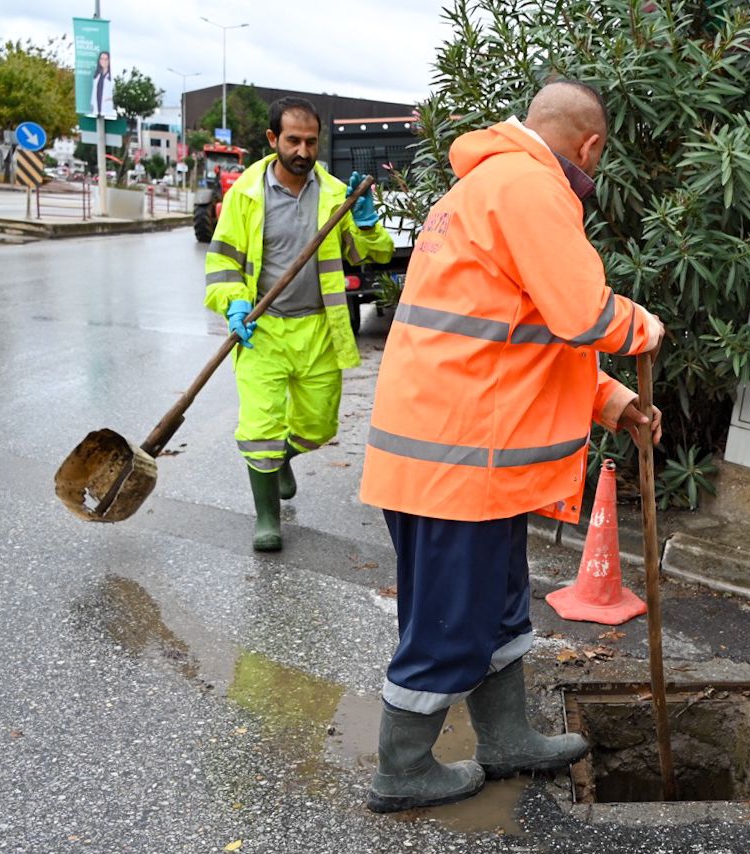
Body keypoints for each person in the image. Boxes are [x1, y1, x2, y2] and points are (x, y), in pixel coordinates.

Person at [358, 79, 665, 811]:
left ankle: (505, 740)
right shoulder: (529, 189)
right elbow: (582, 312)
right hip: (457, 464)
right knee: (447, 623)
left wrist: (611, 400)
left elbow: (521, 333)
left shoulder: (486, 188)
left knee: (497, 610)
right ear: (591, 146)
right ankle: (401, 772)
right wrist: (642, 330)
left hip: (465, 459)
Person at [204, 97, 394, 551]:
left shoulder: (334, 195)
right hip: (262, 329)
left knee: (318, 427)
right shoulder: (245, 195)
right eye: (293, 140)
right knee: (259, 431)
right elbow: (223, 263)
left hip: (317, 330)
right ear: (273, 140)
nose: (303, 151)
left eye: (311, 141)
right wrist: (233, 304)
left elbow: (378, 254)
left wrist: (366, 224)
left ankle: (281, 459)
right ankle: (267, 519)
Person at [89, 51, 116, 120]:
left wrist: (110, 98)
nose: (103, 61)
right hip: (96, 107)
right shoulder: (96, 75)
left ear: (109, 61)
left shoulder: (112, 75)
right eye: (101, 58)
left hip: (107, 109)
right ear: (99, 60)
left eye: (106, 59)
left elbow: (114, 91)